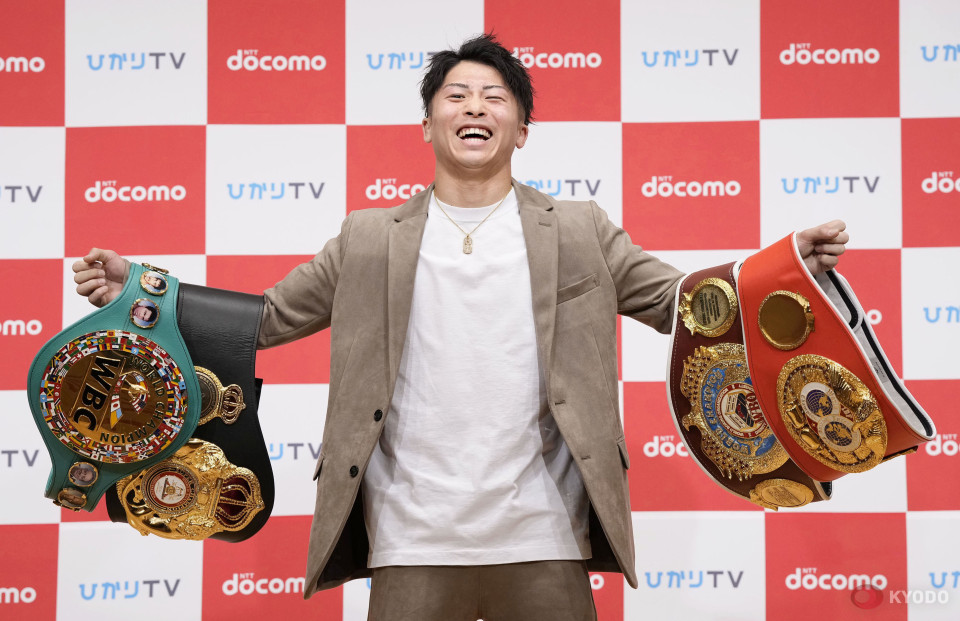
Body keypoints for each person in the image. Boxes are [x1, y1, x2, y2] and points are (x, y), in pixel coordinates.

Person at [72, 34, 848, 621]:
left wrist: (786, 270)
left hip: (546, 535)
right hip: (410, 539)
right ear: (427, 124)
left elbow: (683, 301)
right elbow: (265, 319)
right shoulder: (368, 236)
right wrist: (140, 291)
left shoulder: (579, 228)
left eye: (494, 97)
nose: (475, 106)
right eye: (456, 95)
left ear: (522, 128)